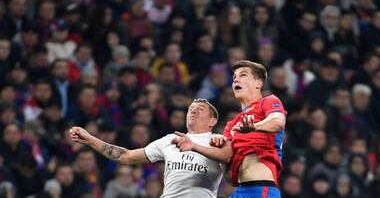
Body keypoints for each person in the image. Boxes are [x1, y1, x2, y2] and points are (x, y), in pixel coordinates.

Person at [173, 60, 287, 197]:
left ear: (259, 83)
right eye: (234, 77)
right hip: (238, 191)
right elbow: (228, 173)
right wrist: (196, 146)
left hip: (261, 189)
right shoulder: (231, 125)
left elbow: (278, 121)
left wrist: (255, 127)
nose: (236, 79)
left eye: (243, 75)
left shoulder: (268, 102)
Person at [69, 98, 223, 198]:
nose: (193, 111)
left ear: (212, 121)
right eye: (190, 108)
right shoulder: (169, 140)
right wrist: (90, 139)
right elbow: (125, 156)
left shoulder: (219, 142)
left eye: (200, 109)